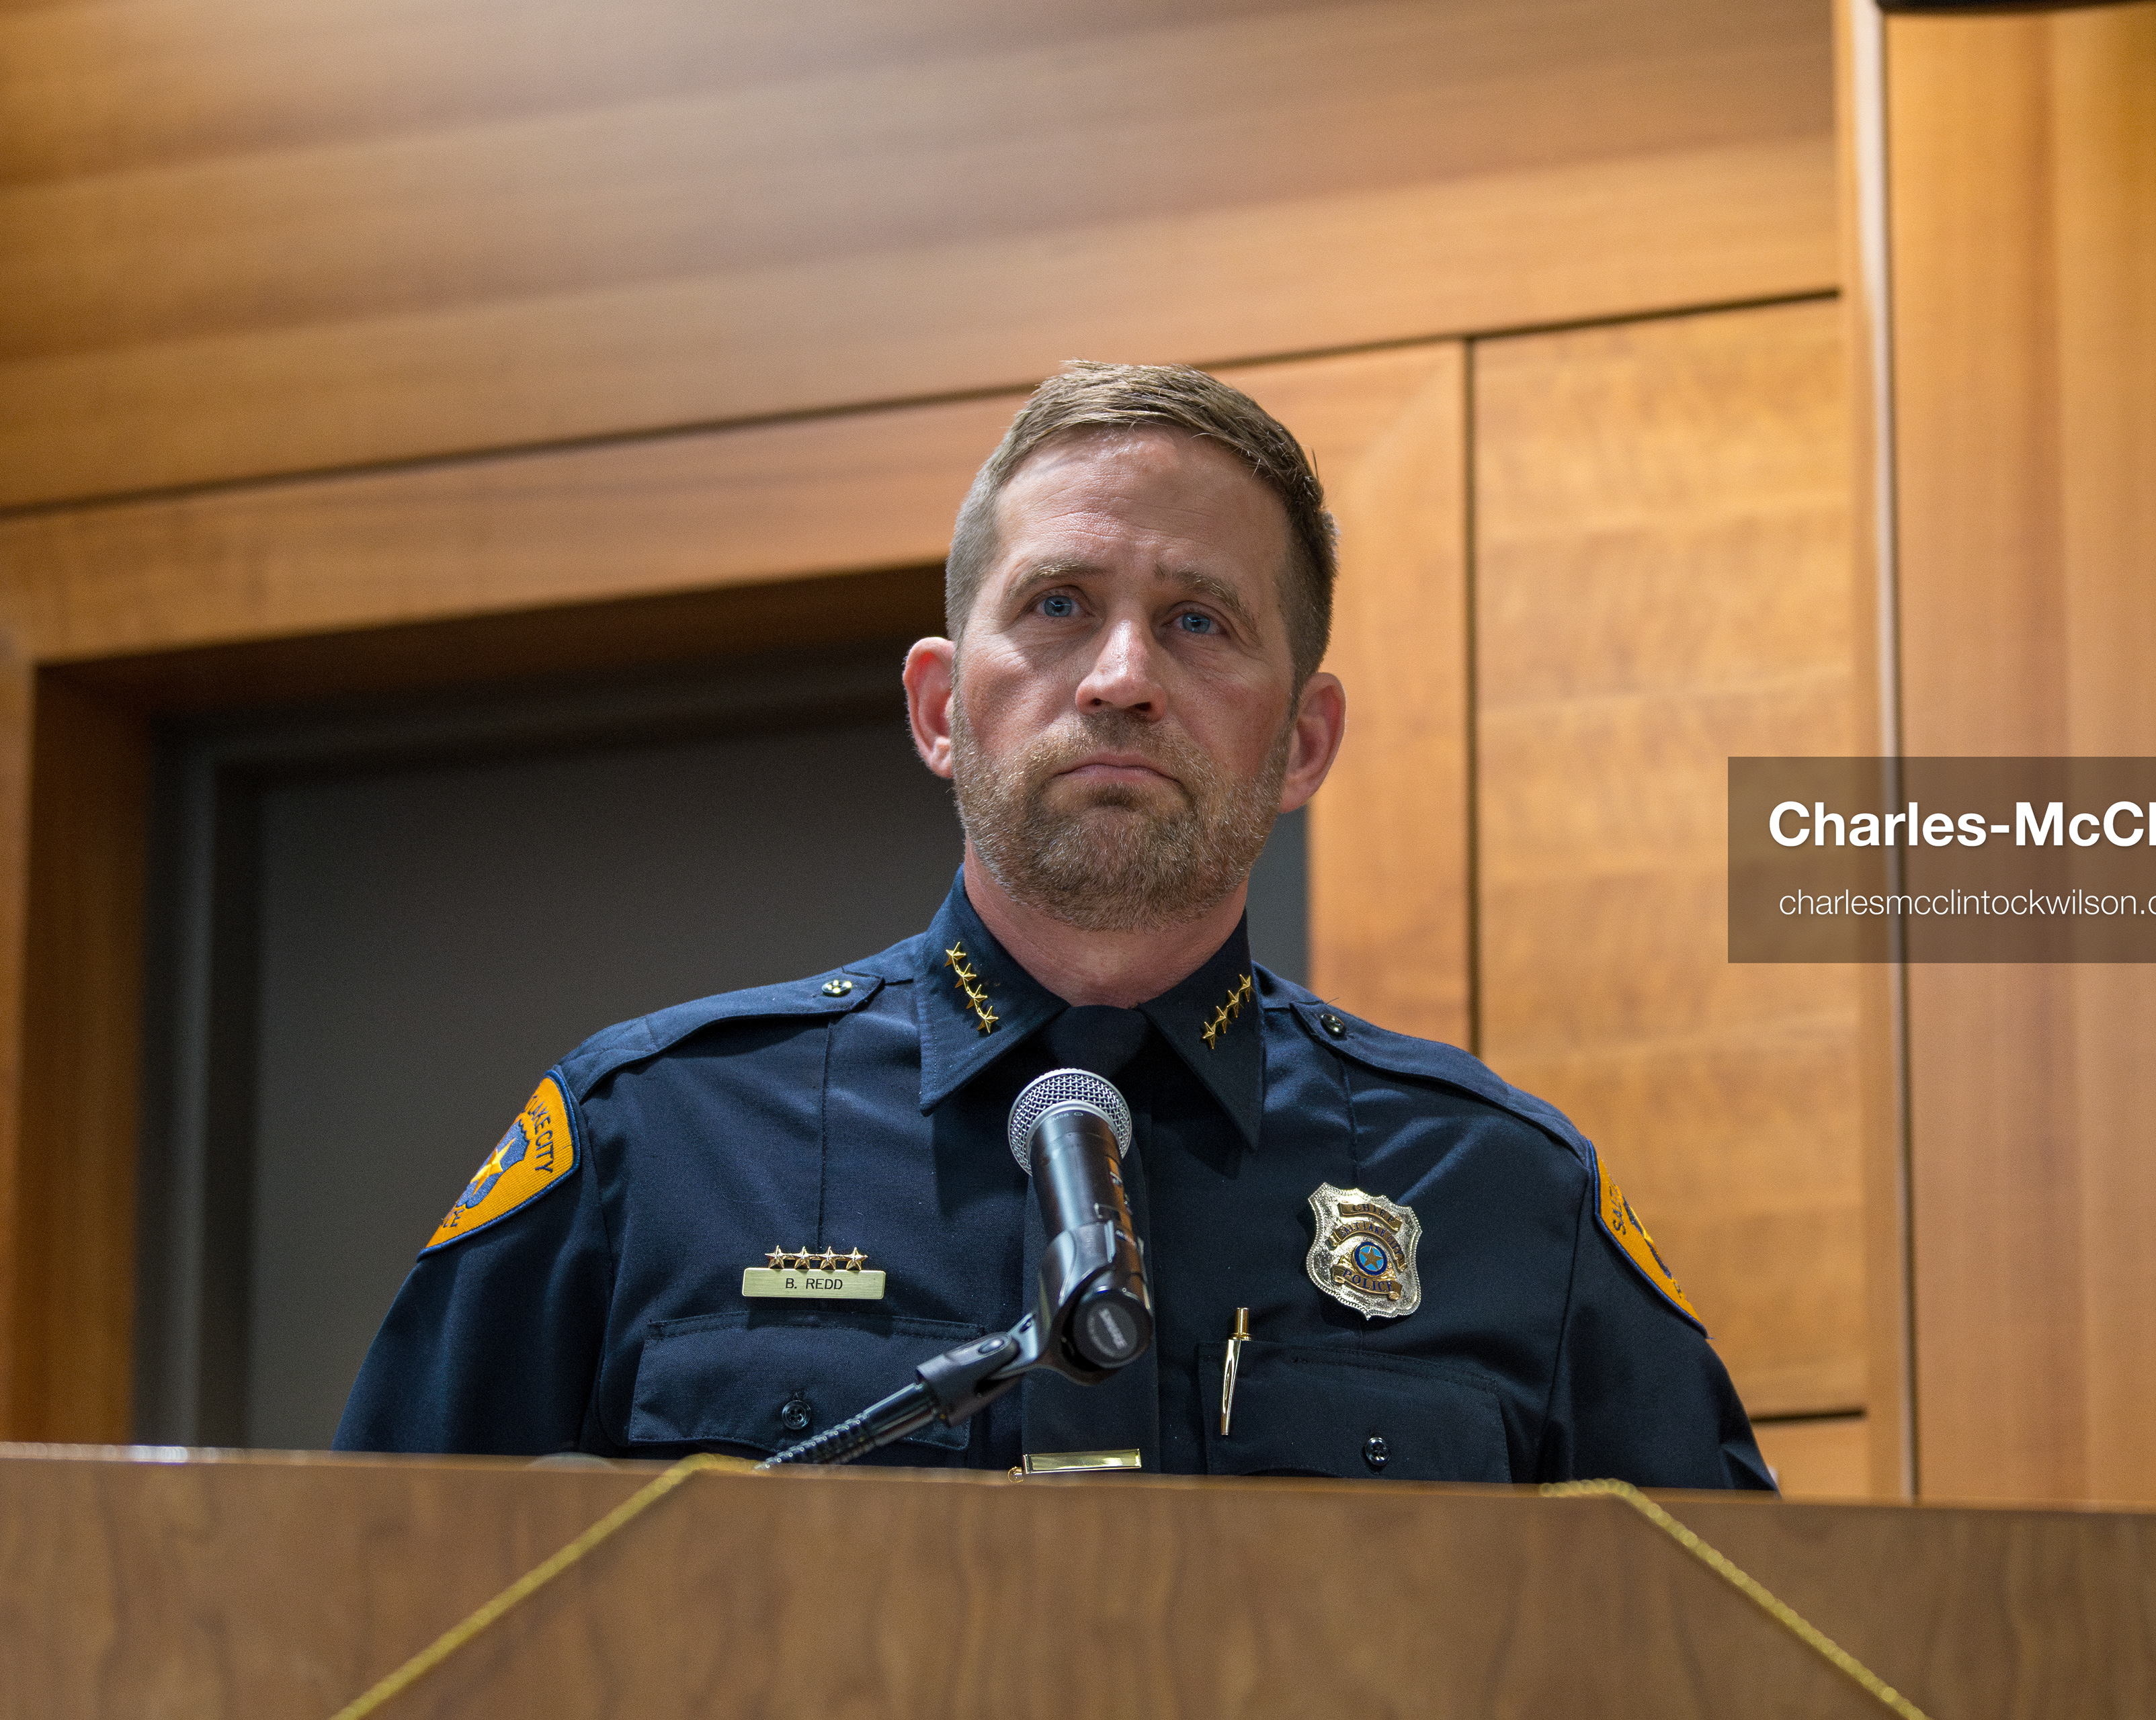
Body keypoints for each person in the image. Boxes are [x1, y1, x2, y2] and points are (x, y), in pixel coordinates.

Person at [335, 362, 1773, 1490]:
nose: (1124, 677)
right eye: (1061, 604)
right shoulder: (648, 1146)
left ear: (1305, 744)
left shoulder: (1507, 1198)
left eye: (1202, 620)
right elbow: (365, 1615)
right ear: (940, 708)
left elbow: (1745, 1652)